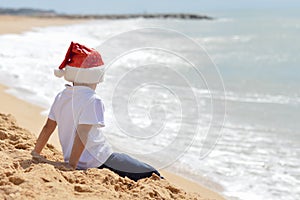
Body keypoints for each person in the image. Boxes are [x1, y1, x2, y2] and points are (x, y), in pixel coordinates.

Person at [31, 42, 161, 181]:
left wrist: (36, 152)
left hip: (76, 158)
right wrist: (71, 165)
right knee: (152, 172)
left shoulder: (62, 96)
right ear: (94, 77)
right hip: (100, 160)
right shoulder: (92, 100)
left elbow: (47, 127)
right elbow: (82, 133)